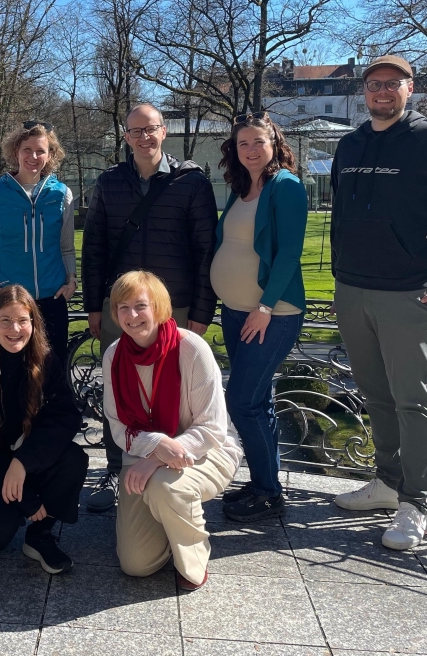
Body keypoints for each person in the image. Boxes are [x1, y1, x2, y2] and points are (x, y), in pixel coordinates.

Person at [330, 55, 427, 550]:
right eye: (374, 85)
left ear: (409, 88)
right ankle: (388, 482)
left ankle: (416, 502)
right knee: (375, 396)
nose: (382, 93)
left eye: (392, 85)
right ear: (364, 90)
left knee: (412, 401)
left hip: (409, 293)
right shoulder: (350, 144)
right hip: (352, 290)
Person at [82, 103, 219, 512]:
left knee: (174, 394)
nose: (144, 137)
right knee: (121, 391)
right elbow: (95, 249)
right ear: (125, 137)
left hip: (173, 306)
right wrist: (94, 306)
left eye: (151, 129)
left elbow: (205, 250)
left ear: (164, 133)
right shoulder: (110, 182)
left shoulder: (191, 183)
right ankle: (116, 469)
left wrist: (201, 310)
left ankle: (176, 467)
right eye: (135, 131)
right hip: (121, 307)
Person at [102, 271, 242, 590]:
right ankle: (168, 520)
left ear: (159, 307)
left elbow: (212, 427)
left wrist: (156, 457)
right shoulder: (114, 356)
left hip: (209, 451)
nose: (132, 315)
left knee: (166, 486)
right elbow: (116, 424)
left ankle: (192, 559)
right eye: (123, 307)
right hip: (141, 454)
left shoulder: (191, 349)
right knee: (137, 564)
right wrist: (155, 446)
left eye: (140, 305)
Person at [0, 285, 88, 573]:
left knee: (73, 459)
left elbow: (65, 417)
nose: (15, 328)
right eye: (5, 320)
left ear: (33, 323)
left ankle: (40, 536)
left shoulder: (45, 362)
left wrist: (24, 462)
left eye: (23, 320)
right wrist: (27, 500)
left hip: (23, 460)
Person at [212, 112, 307, 521]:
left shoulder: (285, 186)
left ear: (274, 143)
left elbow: (288, 252)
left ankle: (268, 491)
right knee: (258, 401)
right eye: (243, 143)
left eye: (258, 142)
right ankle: (263, 484)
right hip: (236, 312)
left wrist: (264, 307)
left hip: (272, 313)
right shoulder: (241, 188)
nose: (251, 150)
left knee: (243, 400)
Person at [0, 121, 78, 361]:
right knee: (7, 377)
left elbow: (67, 247)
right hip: (8, 303)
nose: (33, 156)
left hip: (52, 300)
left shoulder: (62, 194)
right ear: (15, 151)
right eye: (27, 149)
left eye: (41, 150)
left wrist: (71, 280)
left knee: (51, 377)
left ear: (50, 155)